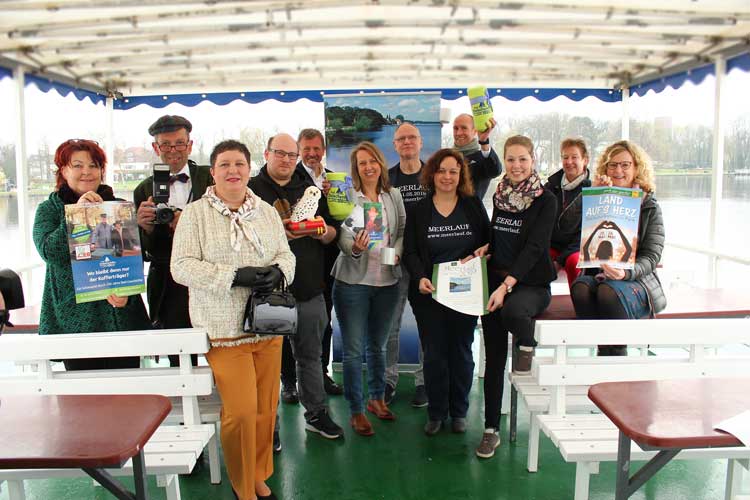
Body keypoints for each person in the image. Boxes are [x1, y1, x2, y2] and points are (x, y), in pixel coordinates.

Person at [171, 140, 295, 500]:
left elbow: (286, 255)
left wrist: (278, 272)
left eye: (239, 163)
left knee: (265, 410)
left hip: (269, 324)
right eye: (224, 164)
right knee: (240, 413)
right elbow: (180, 267)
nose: (233, 171)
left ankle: (258, 474)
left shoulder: (266, 212)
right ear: (213, 172)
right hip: (224, 331)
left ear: (249, 168)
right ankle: (243, 486)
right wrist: (231, 276)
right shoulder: (195, 214)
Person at [249, 133, 344, 440]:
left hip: (309, 287)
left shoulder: (309, 187)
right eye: (281, 154)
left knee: (311, 357)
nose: (287, 160)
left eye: (292, 155)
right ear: (267, 154)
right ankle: (268, 427)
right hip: (269, 292)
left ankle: (316, 414)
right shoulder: (251, 191)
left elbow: (332, 233)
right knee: (266, 364)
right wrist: (279, 235)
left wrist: (320, 231)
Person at [32, 139, 150, 371]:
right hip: (75, 319)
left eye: (94, 165)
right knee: (84, 400)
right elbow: (49, 252)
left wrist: (127, 294)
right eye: (77, 165)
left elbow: (130, 260)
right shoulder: (49, 210)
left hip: (120, 315)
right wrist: (78, 213)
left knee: (129, 395)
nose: (87, 171)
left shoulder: (118, 207)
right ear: (63, 171)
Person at [473, 135, 557, 459]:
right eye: (510, 159)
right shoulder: (500, 193)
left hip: (531, 284)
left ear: (533, 160)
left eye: (523, 159)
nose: (516, 166)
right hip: (497, 279)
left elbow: (536, 247)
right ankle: (490, 429)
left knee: (512, 314)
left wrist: (507, 285)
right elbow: (499, 232)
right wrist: (488, 247)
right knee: (494, 358)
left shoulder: (545, 200)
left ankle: (526, 346)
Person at [403, 148, 489, 436]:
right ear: (432, 174)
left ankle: (459, 411)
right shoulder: (419, 210)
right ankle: (437, 412)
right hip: (430, 293)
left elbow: (489, 242)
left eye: (454, 171)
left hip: (464, 293)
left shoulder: (473, 205)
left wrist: (482, 252)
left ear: (461, 174)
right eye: (442, 171)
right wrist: (420, 277)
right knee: (435, 354)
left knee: (462, 352)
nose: (448, 177)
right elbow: (411, 251)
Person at [331, 141, 405, 437]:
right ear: (356, 168)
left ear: (380, 164)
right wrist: (356, 249)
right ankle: (356, 410)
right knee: (352, 352)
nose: (368, 166)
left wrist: (397, 252)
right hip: (352, 284)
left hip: (387, 282)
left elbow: (401, 231)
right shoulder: (349, 198)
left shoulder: (393, 196)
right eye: (362, 163)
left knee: (379, 346)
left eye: (372, 161)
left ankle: (377, 399)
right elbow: (342, 236)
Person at [571, 140, 666, 356]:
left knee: (608, 291)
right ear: (605, 168)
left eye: (625, 165)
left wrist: (625, 272)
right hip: (599, 275)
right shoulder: (598, 197)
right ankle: (604, 351)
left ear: (636, 168)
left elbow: (652, 256)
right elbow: (563, 228)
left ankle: (615, 357)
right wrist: (591, 193)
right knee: (581, 287)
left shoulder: (649, 205)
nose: (618, 170)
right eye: (612, 165)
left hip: (635, 280)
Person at [134, 115, 213, 367]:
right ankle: (184, 398)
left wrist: (188, 221)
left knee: (216, 339)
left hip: (208, 272)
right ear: (156, 148)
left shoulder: (210, 178)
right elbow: (140, 250)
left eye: (179, 144)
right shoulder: (143, 189)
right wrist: (143, 228)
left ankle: (225, 397)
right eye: (166, 145)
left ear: (190, 145)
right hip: (166, 276)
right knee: (176, 344)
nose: (173, 151)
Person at [296, 128, 343, 397]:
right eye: (307, 148)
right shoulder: (292, 176)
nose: (312, 153)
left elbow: (340, 214)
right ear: (300, 149)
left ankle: (322, 374)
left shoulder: (332, 178)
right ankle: (290, 381)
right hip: (300, 262)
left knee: (323, 321)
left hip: (328, 260)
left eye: (317, 148)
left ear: (323, 150)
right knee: (289, 324)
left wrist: (333, 195)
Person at [384, 122, 428, 407]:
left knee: (427, 325)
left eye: (412, 137)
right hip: (395, 260)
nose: (407, 142)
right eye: (402, 138)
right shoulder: (386, 180)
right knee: (390, 326)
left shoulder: (435, 176)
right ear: (395, 145)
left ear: (420, 142)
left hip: (427, 262)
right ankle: (388, 380)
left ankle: (425, 381)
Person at [544, 138, 591, 288]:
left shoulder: (592, 191)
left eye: (574, 157)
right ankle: (538, 300)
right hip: (553, 245)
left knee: (574, 262)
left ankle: (579, 301)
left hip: (577, 247)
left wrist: (561, 259)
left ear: (585, 160)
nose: (569, 161)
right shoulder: (551, 187)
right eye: (565, 157)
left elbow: (587, 233)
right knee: (537, 258)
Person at [452, 113, 501, 201]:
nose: (458, 133)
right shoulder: (447, 157)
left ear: (474, 131)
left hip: (470, 213)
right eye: (455, 128)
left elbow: (495, 171)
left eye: (464, 128)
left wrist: (484, 142)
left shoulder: (482, 157)